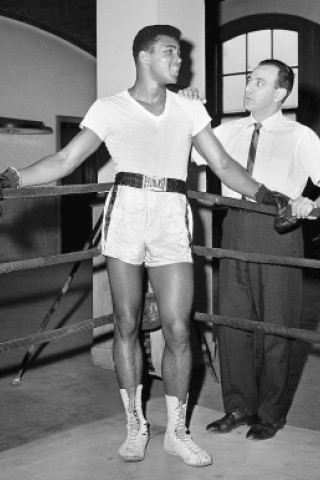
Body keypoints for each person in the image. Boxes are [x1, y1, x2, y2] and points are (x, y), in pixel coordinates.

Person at [0, 28, 292, 465]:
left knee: (177, 327)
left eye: (179, 53)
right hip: (128, 212)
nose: (180, 61)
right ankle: (135, 424)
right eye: (171, 52)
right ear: (143, 56)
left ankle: (176, 430)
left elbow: (225, 165)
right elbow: (66, 160)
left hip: (171, 213)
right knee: (126, 323)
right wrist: (14, 178)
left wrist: (267, 195)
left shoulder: (188, 109)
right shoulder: (110, 107)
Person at [192, 59, 320, 441]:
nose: (248, 88)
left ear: (280, 92)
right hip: (233, 227)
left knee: (275, 328)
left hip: (279, 233)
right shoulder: (226, 131)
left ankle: (270, 414)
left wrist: (311, 205)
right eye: (248, 80)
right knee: (231, 323)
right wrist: (188, 110)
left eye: (259, 82)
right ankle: (237, 407)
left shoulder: (301, 137)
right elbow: (185, 149)